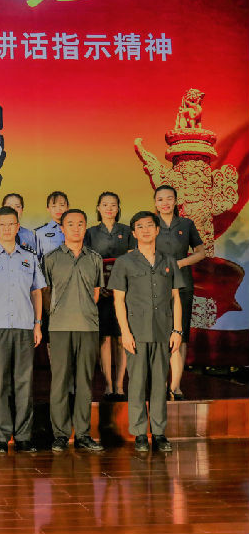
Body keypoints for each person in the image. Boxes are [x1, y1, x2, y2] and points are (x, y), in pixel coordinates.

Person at [0, 206, 46, 454]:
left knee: (24, 382)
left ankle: (23, 436)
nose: (6, 228)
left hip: (24, 326)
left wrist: (37, 324)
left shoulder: (29, 257)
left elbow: (37, 292)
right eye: (2, 225)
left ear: (17, 226)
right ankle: (2, 437)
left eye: (11, 224)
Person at [108, 211, 184, 453]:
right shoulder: (124, 262)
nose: (146, 230)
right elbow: (118, 300)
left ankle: (159, 433)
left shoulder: (168, 260)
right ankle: (140, 433)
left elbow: (176, 298)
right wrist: (125, 333)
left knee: (160, 383)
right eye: (140, 227)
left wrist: (177, 329)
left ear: (157, 230)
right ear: (134, 233)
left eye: (150, 225)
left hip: (163, 330)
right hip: (136, 333)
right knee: (137, 383)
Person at [42, 210, 105, 453]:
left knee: (84, 382)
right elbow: (45, 293)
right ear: (62, 228)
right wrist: (56, 313)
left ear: (85, 227)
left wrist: (84, 311)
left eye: (80, 224)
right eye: (70, 224)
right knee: (59, 382)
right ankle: (60, 435)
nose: (76, 228)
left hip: (88, 326)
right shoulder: (51, 258)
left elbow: (96, 292)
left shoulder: (95, 258)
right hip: (59, 327)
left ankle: (83, 434)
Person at [153, 185, 205, 400]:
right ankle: (159, 383)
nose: (165, 203)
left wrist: (181, 263)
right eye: (160, 199)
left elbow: (201, 252)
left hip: (182, 284)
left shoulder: (186, 224)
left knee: (179, 334)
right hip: (155, 285)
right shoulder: (150, 223)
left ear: (175, 201)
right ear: (155, 203)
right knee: (158, 335)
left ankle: (175, 386)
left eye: (169, 198)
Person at [84, 191, 135, 401]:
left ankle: (120, 385)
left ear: (118, 207)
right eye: (105, 204)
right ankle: (107, 385)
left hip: (123, 292)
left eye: (113, 204)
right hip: (101, 292)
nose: (109, 208)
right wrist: (98, 285)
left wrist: (121, 286)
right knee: (104, 338)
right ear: (98, 208)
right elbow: (87, 262)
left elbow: (132, 261)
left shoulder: (127, 231)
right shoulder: (90, 233)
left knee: (121, 337)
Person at [35, 191, 69, 258]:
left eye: (62, 205)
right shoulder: (40, 232)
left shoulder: (76, 230)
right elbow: (37, 258)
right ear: (48, 209)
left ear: (67, 207)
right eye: (54, 206)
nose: (58, 209)